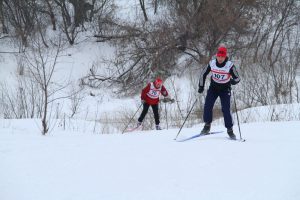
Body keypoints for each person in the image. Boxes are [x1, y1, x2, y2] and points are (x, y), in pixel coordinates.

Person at [198, 46, 240, 139]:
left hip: (225, 89)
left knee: (226, 109)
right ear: (216, 56)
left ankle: (230, 130)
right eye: (219, 56)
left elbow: (238, 78)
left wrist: (233, 81)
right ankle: (207, 126)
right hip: (214, 88)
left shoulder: (230, 65)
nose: (220, 58)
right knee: (208, 105)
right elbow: (203, 74)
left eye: (222, 57)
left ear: (225, 57)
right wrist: (201, 86)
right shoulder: (212, 63)